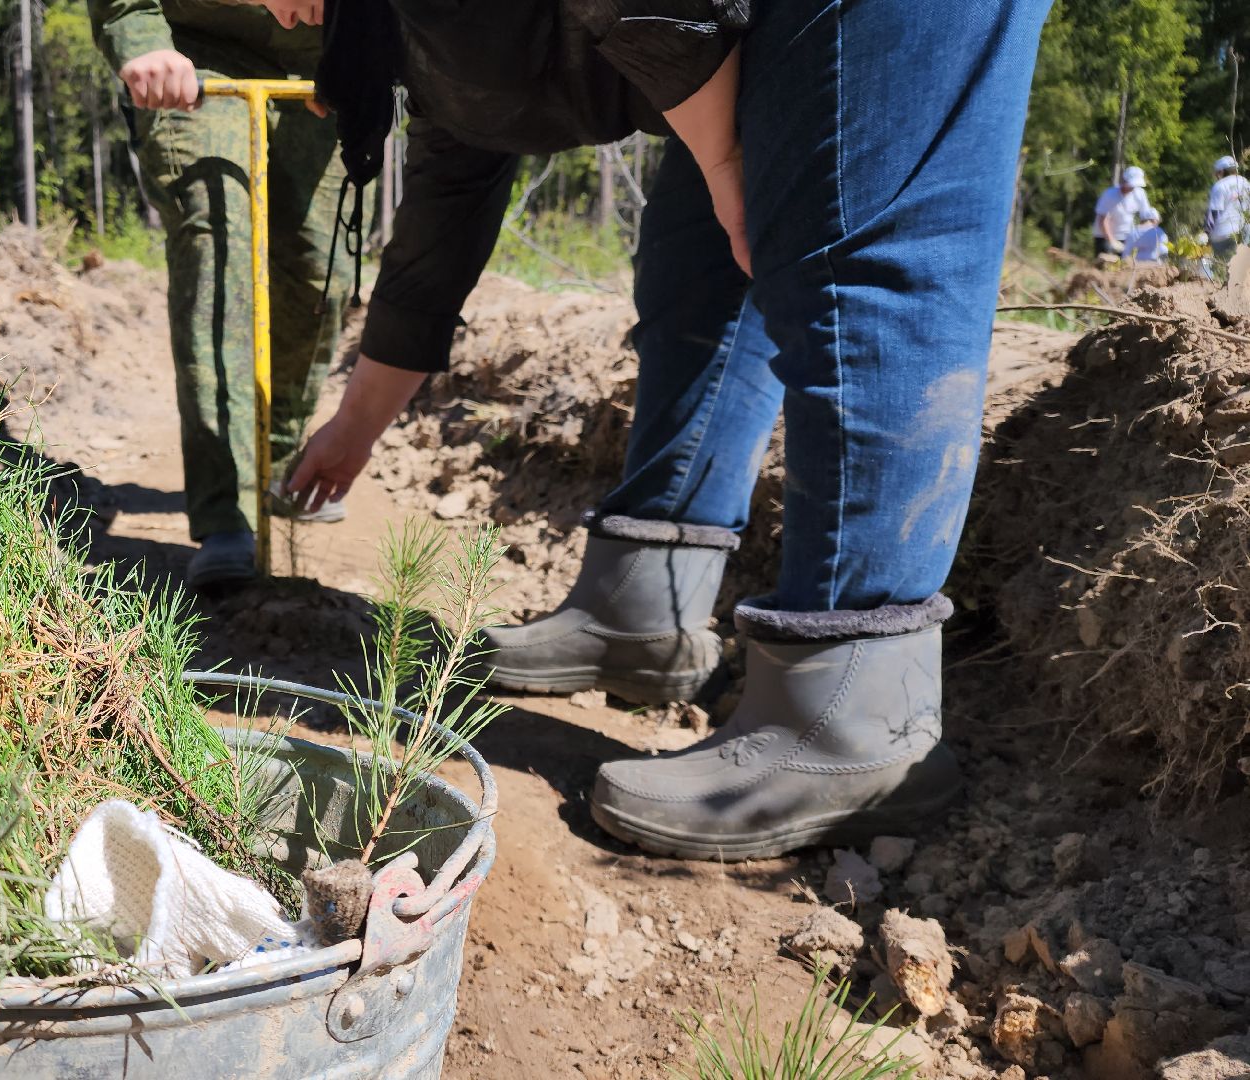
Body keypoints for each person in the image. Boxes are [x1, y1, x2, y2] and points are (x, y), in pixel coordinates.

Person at [287, 0, 1049, 859]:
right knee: (699, 263)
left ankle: (852, 714)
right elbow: (441, 219)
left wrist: (728, 153)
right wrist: (354, 425)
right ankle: (642, 610)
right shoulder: (425, 36)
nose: (275, 15)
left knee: (855, 243)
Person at [89, 0, 348, 589]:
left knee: (319, 275)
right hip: (192, 54)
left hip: (330, 56)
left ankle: (280, 462)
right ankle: (227, 511)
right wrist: (140, 39)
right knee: (219, 250)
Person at [1093, 166, 1151, 260]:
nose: (1131, 188)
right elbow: (1103, 220)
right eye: (1130, 184)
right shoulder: (1109, 194)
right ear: (1124, 181)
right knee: (1104, 265)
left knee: (1124, 267)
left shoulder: (1140, 194)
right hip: (1104, 236)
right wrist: (1112, 241)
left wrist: (1140, 237)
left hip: (1126, 237)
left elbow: (1146, 217)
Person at [1206, 155, 1250, 271]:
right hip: (1243, 231)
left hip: (1222, 233)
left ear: (1221, 171)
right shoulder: (1245, 183)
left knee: (1222, 269)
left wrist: (1207, 234)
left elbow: (1214, 213)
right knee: (1242, 268)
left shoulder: (1219, 186)